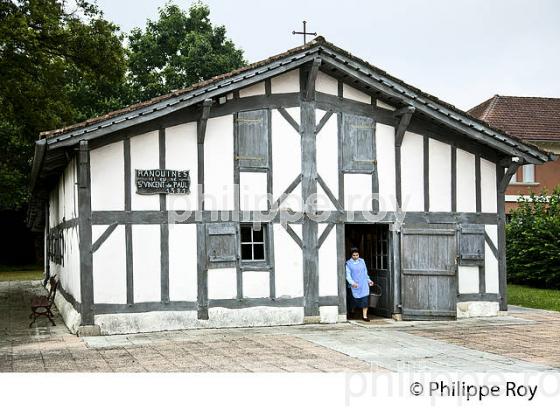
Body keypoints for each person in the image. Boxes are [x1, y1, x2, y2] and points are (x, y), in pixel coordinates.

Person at [345, 247, 374, 321]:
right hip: (354, 284)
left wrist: (369, 280)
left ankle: (365, 316)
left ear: (359, 255)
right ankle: (352, 312)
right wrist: (352, 283)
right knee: (353, 301)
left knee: (365, 300)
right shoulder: (348, 263)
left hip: (363, 283)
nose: (355, 257)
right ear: (351, 255)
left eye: (357, 255)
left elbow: (365, 272)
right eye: (354, 255)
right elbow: (347, 275)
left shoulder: (362, 261)